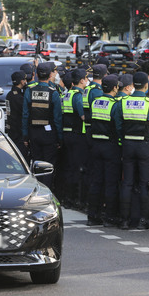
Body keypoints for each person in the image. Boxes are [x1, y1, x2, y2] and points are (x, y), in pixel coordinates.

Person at [119, 71, 149, 230]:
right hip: (146, 146)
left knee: (127, 183)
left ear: (133, 86)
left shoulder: (123, 102)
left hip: (128, 145)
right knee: (145, 183)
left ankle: (125, 220)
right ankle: (143, 220)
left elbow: (118, 125)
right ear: (146, 86)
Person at [87, 75, 123, 227]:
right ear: (115, 88)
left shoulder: (95, 102)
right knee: (110, 183)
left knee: (96, 181)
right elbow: (118, 127)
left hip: (96, 145)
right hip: (110, 146)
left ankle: (92, 216)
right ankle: (109, 217)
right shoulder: (115, 105)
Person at [22, 62, 63, 188]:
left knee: (36, 164)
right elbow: (57, 119)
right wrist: (60, 138)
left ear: (36, 75)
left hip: (33, 134)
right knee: (48, 165)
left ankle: (36, 190)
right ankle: (46, 192)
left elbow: (25, 115)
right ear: (51, 75)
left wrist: (25, 136)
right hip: (49, 135)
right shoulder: (53, 93)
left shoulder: (29, 91)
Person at [61, 68, 88, 209]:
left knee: (69, 167)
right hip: (77, 136)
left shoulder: (66, 94)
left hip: (66, 134)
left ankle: (67, 198)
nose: (87, 80)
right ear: (82, 80)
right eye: (86, 78)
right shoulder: (78, 96)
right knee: (78, 168)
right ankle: (76, 200)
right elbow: (83, 116)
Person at [6, 71, 29, 160]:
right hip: (18, 132)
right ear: (22, 81)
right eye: (24, 79)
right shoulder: (18, 97)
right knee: (21, 157)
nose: (26, 81)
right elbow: (25, 112)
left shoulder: (10, 94)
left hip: (12, 130)